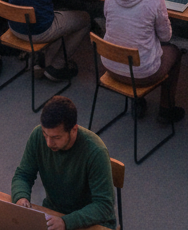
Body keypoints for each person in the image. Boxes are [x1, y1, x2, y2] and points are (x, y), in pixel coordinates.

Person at [102, 0, 184, 123]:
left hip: (110, 66)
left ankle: (138, 103)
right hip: (142, 74)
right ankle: (166, 109)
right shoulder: (155, 0)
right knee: (175, 52)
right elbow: (166, 36)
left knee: (131, 42)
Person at [11, 96, 116, 230]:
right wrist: (21, 197)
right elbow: (23, 175)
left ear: (74, 130)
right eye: (45, 134)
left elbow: (104, 206)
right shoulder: (37, 135)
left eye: (56, 137)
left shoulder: (95, 152)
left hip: (92, 221)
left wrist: (66, 222)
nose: (49, 143)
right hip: (55, 212)